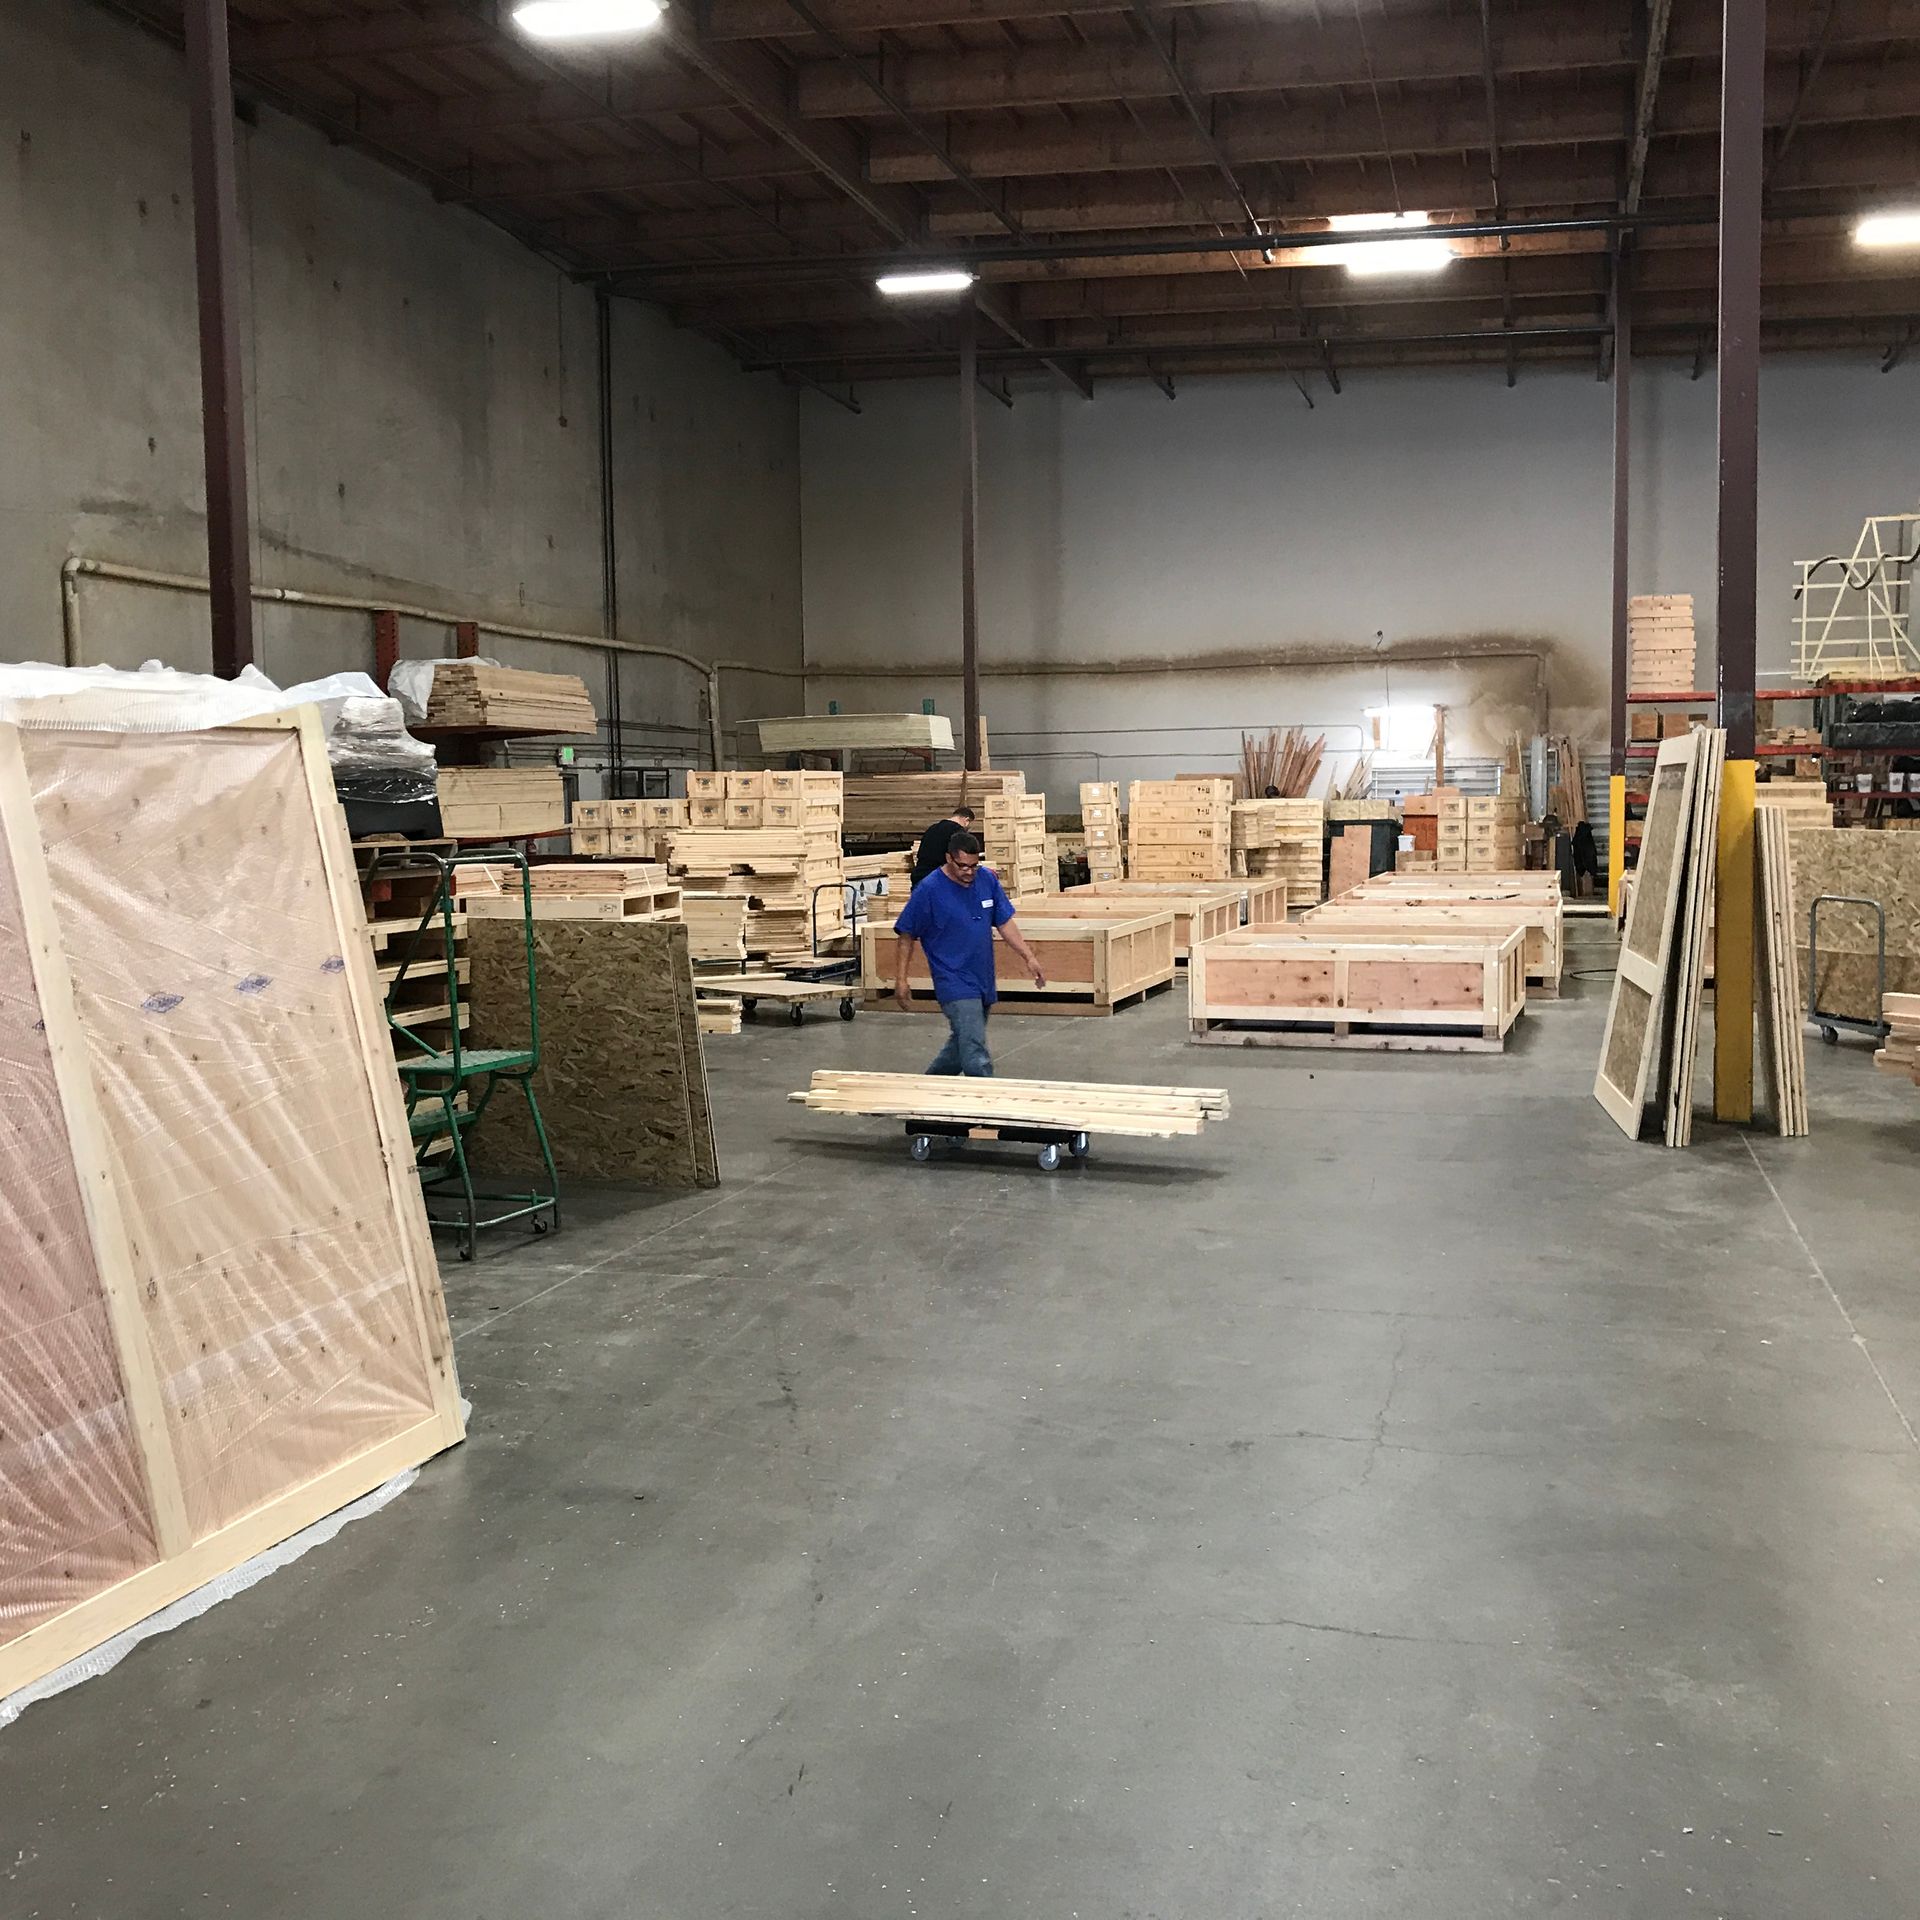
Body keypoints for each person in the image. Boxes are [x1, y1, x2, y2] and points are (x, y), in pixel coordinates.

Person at [892, 832, 1046, 1075]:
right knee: (974, 1050)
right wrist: (901, 979)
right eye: (962, 866)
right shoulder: (929, 890)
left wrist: (1029, 956)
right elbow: (906, 935)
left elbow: (1004, 922)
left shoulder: (986, 880)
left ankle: (926, 1093)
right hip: (952, 980)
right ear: (948, 858)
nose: (969, 872)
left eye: (974, 866)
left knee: (960, 1045)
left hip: (982, 977)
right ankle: (986, 1106)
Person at [909, 805, 977, 888]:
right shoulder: (958, 832)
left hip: (919, 877)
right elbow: (961, 859)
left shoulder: (932, 828)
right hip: (939, 881)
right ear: (966, 820)